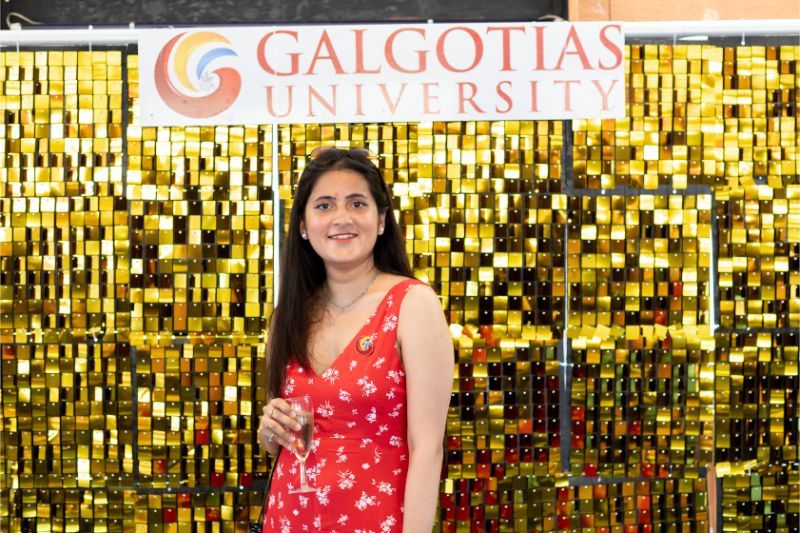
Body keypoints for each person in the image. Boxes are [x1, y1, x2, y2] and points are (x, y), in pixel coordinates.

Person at [257, 146, 453, 532]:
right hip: (289, 520)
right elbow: (282, 442)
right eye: (324, 205)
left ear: (381, 220)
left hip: (377, 520)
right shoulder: (288, 316)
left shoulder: (412, 304)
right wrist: (269, 431)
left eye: (357, 203)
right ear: (302, 225)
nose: (341, 218)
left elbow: (428, 449)